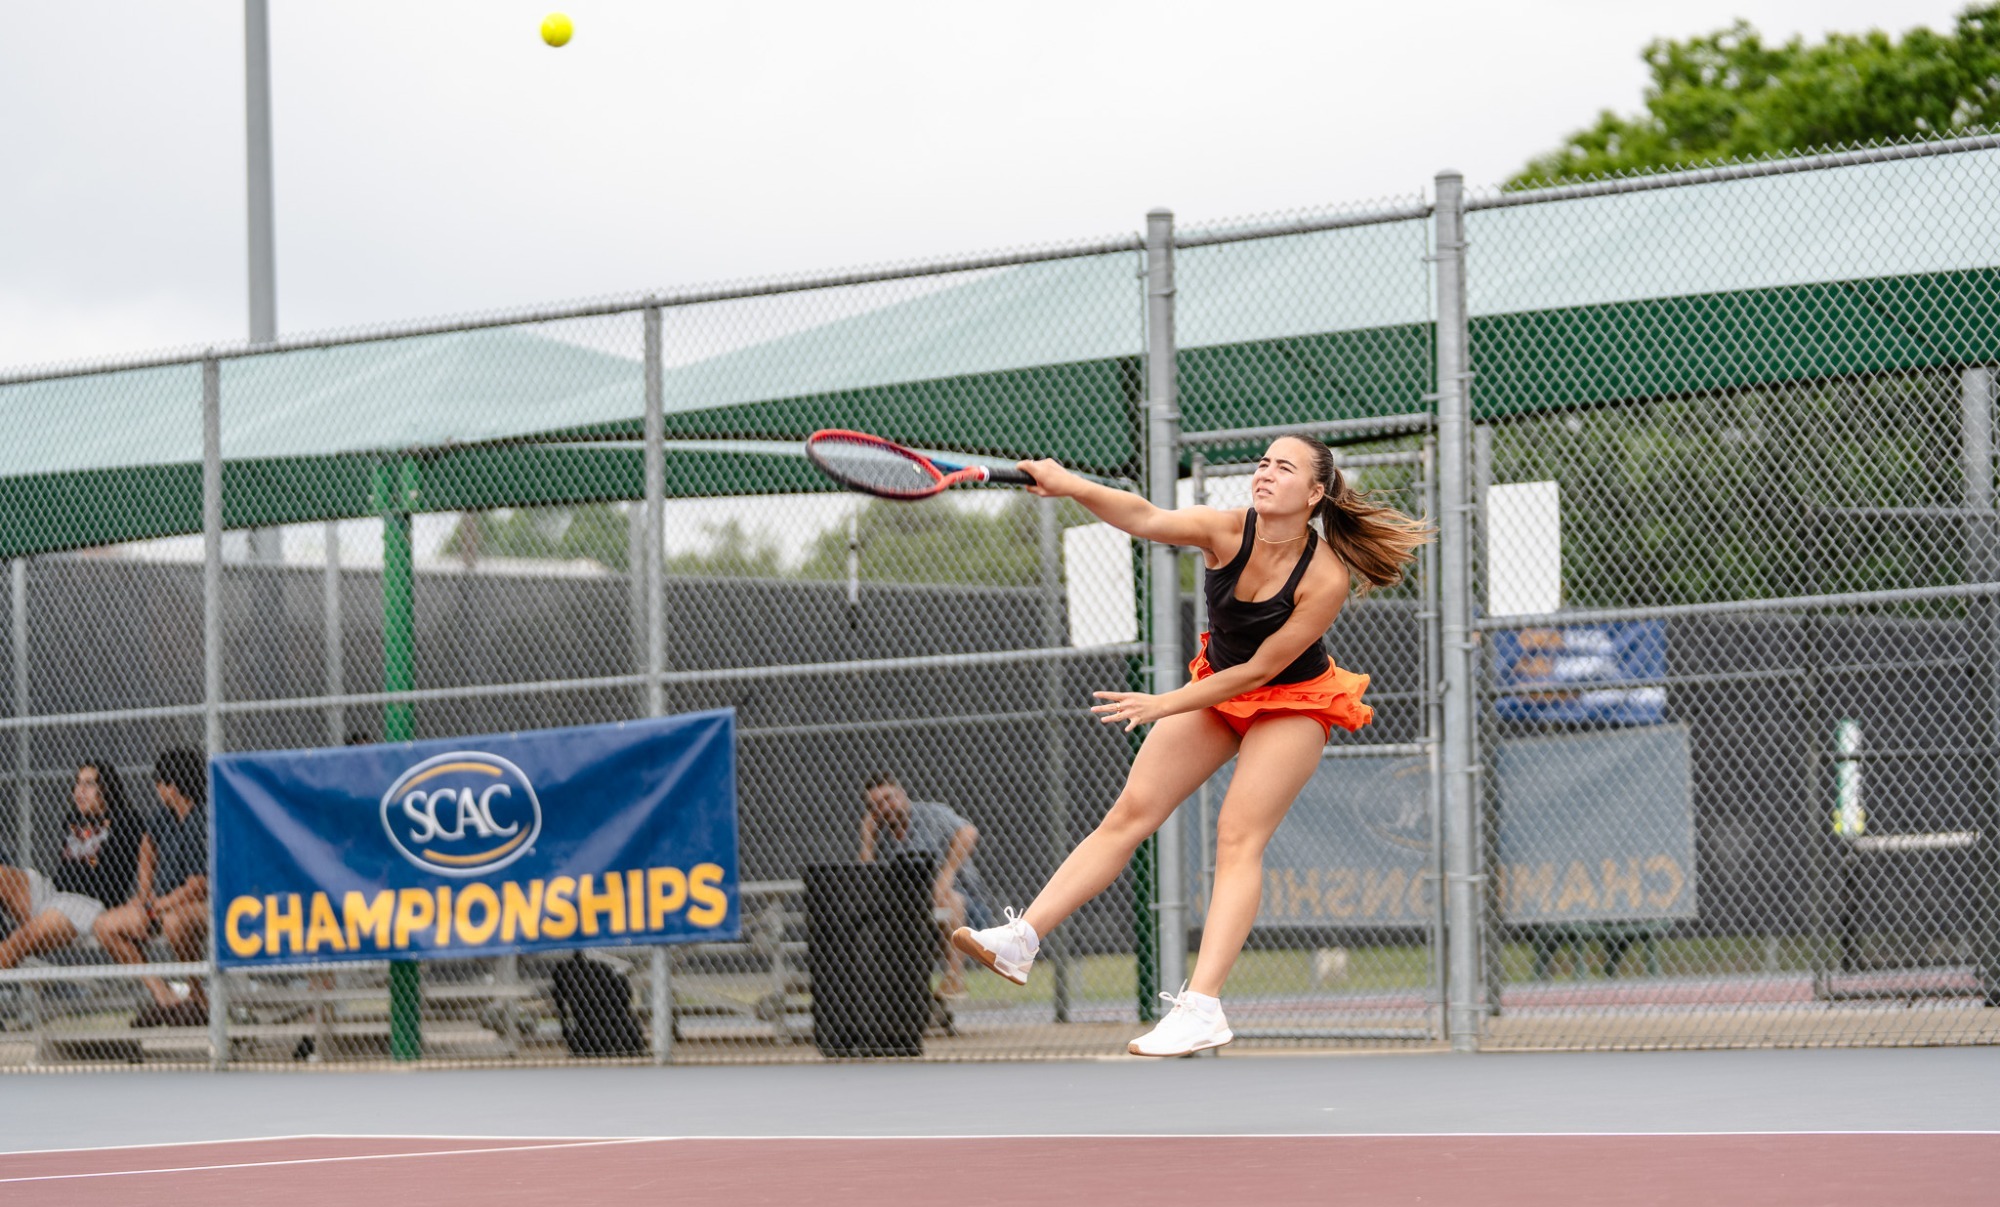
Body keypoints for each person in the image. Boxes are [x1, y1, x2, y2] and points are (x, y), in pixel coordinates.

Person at [952, 435, 1431, 1056]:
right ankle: (1022, 940)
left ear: (1314, 494)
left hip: (1293, 702)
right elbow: (1146, 517)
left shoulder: (1326, 577)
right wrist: (1070, 482)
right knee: (1128, 816)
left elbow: (1260, 673)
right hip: (1217, 691)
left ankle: (1202, 1007)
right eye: (1262, 462)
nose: (1265, 472)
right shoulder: (1226, 530)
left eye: (1283, 467)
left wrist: (1164, 703)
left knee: (1237, 836)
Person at [94, 748, 210, 1027]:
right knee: (105, 925)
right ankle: (164, 996)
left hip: (200, 905)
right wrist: (145, 894)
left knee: (172, 923)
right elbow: (147, 845)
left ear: (173, 786)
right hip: (160, 903)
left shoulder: (201, 818)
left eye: (160, 784)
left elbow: (198, 886)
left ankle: (198, 996)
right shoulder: (165, 815)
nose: (157, 790)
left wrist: (157, 906)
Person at [859, 773, 992, 999]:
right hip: (911, 915)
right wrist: (867, 841)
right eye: (875, 805)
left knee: (951, 898)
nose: (884, 808)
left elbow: (968, 832)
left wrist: (946, 875)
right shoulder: (881, 836)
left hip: (968, 912)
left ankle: (954, 979)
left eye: (888, 799)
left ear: (902, 795)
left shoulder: (932, 815)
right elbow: (865, 877)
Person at [0, 762, 144, 970]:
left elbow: (109, 881)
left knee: (22, 939)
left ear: (106, 789)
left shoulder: (125, 822)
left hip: (86, 904)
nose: (80, 791)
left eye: (89, 784)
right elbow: (70, 871)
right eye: (77, 784)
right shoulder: (74, 819)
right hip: (56, 894)